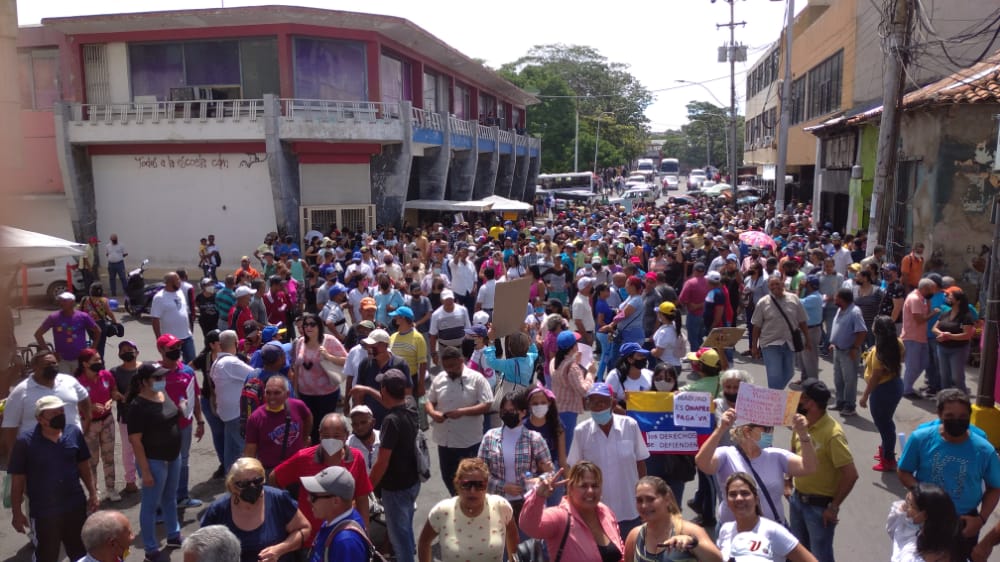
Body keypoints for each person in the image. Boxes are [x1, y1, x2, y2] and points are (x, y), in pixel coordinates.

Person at [898, 389, 1000, 559]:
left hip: (964, 524)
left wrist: (981, 519)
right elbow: (903, 471)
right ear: (939, 414)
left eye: (962, 417)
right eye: (950, 416)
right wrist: (924, 494)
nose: (956, 421)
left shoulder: (984, 450)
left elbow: (995, 488)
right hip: (925, 519)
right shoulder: (920, 439)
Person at [8, 396, 98, 562]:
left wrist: (93, 493)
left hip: (75, 507)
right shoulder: (25, 443)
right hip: (44, 513)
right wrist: (16, 512)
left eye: (61, 411)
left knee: (81, 553)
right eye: (54, 413)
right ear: (40, 419)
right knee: (46, 556)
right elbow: (18, 480)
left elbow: (84, 466)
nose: (60, 415)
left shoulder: (73, 433)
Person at [694, 408, 816, 526]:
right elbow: (702, 463)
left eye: (772, 428)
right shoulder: (726, 454)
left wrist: (803, 435)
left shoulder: (776, 455)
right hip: (734, 534)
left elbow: (809, 467)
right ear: (747, 431)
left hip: (772, 532)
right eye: (767, 429)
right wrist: (721, 429)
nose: (771, 433)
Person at [269, 412, 373, 546]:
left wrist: (365, 532)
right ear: (319, 435)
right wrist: (290, 510)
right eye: (326, 436)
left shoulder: (357, 458)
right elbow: (274, 478)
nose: (331, 440)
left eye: (336, 436)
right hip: (310, 539)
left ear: (346, 435)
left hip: (342, 536)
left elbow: (362, 498)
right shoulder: (303, 458)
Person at [569, 381, 651, 537]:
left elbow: (640, 463)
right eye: (593, 402)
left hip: (630, 509)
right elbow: (575, 470)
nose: (598, 406)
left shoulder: (630, 426)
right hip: (596, 511)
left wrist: (644, 498)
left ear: (613, 404)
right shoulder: (582, 431)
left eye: (602, 402)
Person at [788, 380, 858, 562]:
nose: (796, 401)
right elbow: (793, 452)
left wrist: (833, 508)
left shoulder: (833, 434)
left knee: (820, 556)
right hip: (797, 500)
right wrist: (788, 481)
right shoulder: (801, 424)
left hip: (819, 509)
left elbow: (851, 475)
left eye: (801, 398)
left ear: (811, 403)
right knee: (797, 552)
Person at [201, 457, 312, 562]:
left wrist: (280, 549)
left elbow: (304, 528)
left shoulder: (279, 499)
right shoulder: (218, 510)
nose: (252, 486)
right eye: (244, 484)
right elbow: (201, 548)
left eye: (257, 481)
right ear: (232, 486)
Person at [126, 364, 183, 562]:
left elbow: (170, 414)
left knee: (170, 497)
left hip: (173, 457)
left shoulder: (162, 393)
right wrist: (145, 470)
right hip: (154, 462)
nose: (162, 381)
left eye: (162, 377)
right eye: (157, 378)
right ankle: (151, 549)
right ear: (143, 382)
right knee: (150, 505)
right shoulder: (137, 407)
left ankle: (173, 535)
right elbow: (135, 441)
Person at [417, 457, 519, 562]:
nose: (473, 491)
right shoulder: (442, 512)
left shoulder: (501, 506)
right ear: (457, 484)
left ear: (486, 484)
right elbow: (424, 542)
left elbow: (512, 534)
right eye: (466, 485)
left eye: (479, 485)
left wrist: (512, 559)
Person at [519, 461, 625, 562]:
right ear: (570, 488)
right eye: (583, 486)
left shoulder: (605, 512)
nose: (590, 491)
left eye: (595, 486)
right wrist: (538, 496)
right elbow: (528, 526)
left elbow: (621, 550)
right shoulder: (560, 517)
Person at [368, 369, 421, 562]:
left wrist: (368, 486)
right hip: (412, 481)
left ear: (384, 390)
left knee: (399, 540)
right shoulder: (411, 407)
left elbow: (382, 461)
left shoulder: (391, 421)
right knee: (405, 529)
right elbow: (390, 402)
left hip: (396, 488)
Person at [426, 345, 493, 495]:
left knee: (472, 481)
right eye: (446, 367)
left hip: (468, 442)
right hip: (445, 441)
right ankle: (457, 503)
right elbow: (429, 401)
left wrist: (462, 412)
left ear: (461, 360)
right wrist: (433, 412)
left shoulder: (477, 379)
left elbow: (487, 404)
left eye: (453, 366)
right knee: (449, 478)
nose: (449, 369)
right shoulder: (439, 379)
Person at [1, 349, 92, 456]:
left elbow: (85, 401)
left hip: (71, 448)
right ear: (35, 368)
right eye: (47, 364)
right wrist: (14, 455)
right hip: (36, 453)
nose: (52, 366)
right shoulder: (20, 391)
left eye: (54, 363)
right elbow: (10, 425)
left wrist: (83, 429)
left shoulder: (69, 381)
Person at [478, 391, 553, 520]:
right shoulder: (490, 437)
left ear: (523, 412)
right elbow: (480, 471)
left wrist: (539, 481)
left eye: (512, 410)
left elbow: (550, 472)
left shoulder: (535, 439)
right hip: (497, 502)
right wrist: (502, 486)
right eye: (504, 410)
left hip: (528, 501)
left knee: (529, 539)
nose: (508, 414)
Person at [716, 473, 817, 562]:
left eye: (745, 493)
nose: (739, 498)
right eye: (733, 494)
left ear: (756, 499)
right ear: (727, 502)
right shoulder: (725, 530)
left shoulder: (773, 531)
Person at [622, 476, 722, 562]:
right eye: (639, 500)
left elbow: (718, 560)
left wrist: (693, 544)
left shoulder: (689, 531)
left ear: (667, 499)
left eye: (650, 499)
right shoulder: (635, 536)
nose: (644, 505)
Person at [157, 333, 206, 509]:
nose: (176, 350)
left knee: (183, 460)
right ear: (161, 350)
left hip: (185, 425)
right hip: (163, 428)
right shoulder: (156, 374)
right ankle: (163, 502)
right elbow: (154, 399)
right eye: (172, 348)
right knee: (164, 464)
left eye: (178, 346)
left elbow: (195, 398)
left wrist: (200, 421)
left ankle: (182, 497)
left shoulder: (187, 371)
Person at [74, 348, 123, 503]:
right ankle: (93, 491)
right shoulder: (77, 382)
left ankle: (111, 488)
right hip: (89, 424)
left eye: (99, 359)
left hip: (107, 420)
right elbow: (73, 404)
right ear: (84, 364)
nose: (99, 363)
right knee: (91, 460)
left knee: (109, 457)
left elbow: (113, 391)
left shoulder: (106, 375)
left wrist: (112, 399)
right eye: (95, 360)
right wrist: (90, 407)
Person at [292, 312, 348, 443]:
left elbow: (346, 360)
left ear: (319, 326)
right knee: (309, 427)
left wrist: (329, 356)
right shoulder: (300, 342)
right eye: (306, 325)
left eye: (312, 324)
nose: (308, 327)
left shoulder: (329, 340)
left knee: (324, 427)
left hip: (326, 394)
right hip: (305, 393)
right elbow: (297, 368)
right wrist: (295, 390)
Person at [859, 316, 904, 472]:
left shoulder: (879, 353)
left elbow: (875, 378)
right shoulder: (897, 343)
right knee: (886, 422)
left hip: (882, 390)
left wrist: (865, 396)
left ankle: (888, 459)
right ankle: (886, 450)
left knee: (884, 425)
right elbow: (901, 358)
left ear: (876, 331)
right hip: (896, 384)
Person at [301, 466, 372, 562]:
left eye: (314, 496)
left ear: (336, 501)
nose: (308, 499)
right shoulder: (332, 520)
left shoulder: (345, 542)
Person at [751, 275, 809, 390]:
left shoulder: (794, 299)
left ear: (782, 284)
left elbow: (802, 321)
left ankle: (774, 395)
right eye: (772, 285)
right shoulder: (762, 302)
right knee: (774, 375)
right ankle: (774, 401)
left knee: (789, 373)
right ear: (768, 287)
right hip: (770, 343)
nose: (775, 287)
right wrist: (754, 347)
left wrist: (808, 339)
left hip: (790, 343)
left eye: (777, 283)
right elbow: (756, 326)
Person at [244, 376, 313, 472]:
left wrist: (304, 439)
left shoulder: (298, 406)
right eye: (268, 393)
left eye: (277, 393)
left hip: (297, 465)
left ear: (287, 394)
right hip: (272, 471)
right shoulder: (255, 418)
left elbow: (308, 417)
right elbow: (250, 452)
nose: (272, 397)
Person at [211, 330, 256, 472]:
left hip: (226, 413)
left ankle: (229, 477)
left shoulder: (217, 362)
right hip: (236, 414)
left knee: (230, 450)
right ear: (236, 343)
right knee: (244, 450)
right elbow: (255, 374)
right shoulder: (231, 362)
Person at [888, 483, 963, 562]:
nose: (904, 506)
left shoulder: (914, 549)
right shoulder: (910, 524)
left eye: (910, 504)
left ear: (923, 515)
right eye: (906, 499)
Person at [550, 330, 596, 454]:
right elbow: (583, 390)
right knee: (566, 450)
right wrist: (590, 374)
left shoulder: (556, 362)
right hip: (568, 412)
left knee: (558, 447)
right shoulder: (572, 367)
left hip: (558, 408)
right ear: (574, 347)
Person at [34, 291, 100, 373]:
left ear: (72, 302)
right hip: (62, 360)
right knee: (65, 384)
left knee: (79, 383)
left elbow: (98, 331)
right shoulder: (53, 317)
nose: (61, 303)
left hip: (80, 359)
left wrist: (91, 349)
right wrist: (50, 353)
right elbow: (38, 334)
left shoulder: (83, 316)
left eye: (64, 301)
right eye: (60, 300)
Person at [827, 288, 867, 417]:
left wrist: (855, 348)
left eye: (836, 297)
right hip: (838, 350)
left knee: (850, 380)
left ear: (843, 299)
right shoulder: (840, 309)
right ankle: (840, 402)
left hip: (849, 351)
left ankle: (850, 406)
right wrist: (834, 342)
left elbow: (862, 331)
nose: (834, 298)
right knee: (838, 378)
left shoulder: (855, 312)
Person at [111, 340, 142, 493]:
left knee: (148, 447)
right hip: (126, 417)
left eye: (130, 349)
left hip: (147, 416)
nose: (126, 352)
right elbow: (112, 390)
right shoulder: (114, 372)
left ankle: (148, 477)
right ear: (119, 354)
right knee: (128, 450)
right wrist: (116, 395)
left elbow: (159, 388)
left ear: (137, 352)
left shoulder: (146, 369)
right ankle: (130, 481)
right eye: (123, 350)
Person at [931, 290, 976, 394]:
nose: (947, 298)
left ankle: (963, 399)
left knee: (957, 377)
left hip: (958, 350)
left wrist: (949, 336)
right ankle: (945, 400)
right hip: (942, 348)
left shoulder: (966, 316)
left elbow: (967, 335)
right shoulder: (945, 313)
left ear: (958, 301)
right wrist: (942, 334)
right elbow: (934, 328)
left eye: (950, 297)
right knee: (944, 376)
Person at [901, 279, 939, 399]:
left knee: (924, 363)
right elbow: (919, 320)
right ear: (925, 289)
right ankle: (906, 389)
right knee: (913, 365)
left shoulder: (922, 299)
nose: (933, 293)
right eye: (932, 290)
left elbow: (924, 313)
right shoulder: (915, 299)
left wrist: (928, 302)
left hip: (920, 337)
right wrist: (933, 313)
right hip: (912, 337)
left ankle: (906, 385)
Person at [150, 272, 196, 363]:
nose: (180, 282)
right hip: (171, 339)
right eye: (177, 280)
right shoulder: (159, 298)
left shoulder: (180, 292)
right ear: (169, 282)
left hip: (186, 336)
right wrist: (159, 340)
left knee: (191, 361)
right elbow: (155, 320)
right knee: (171, 362)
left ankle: (184, 376)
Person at [606, 342, 653, 412]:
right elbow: (608, 401)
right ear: (630, 359)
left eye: (644, 355)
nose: (644, 358)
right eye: (640, 355)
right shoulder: (615, 376)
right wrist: (625, 413)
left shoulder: (650, 374)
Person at [78, 282, 117, 360]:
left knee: (94, 341)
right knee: (100, 345)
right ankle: (99, 361)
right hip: (100, 324)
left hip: (88, 324)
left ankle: (92, 358)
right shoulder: (104, 300)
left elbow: (79, 311)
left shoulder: (85, 299)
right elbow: (109, 313)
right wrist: (115, 322)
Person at [650, 301, 683, 370]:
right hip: (673, 365)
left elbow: (657, 353)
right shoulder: (673, 325)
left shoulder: (664, 332)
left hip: (667, 367)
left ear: (662, 315)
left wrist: (652, 351)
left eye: (658, 312)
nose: (657, 314)